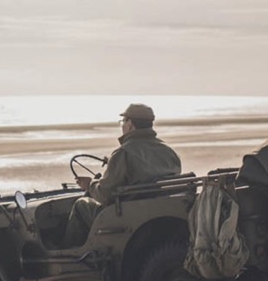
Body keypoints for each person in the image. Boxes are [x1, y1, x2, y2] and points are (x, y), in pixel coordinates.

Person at [62, 103, 182, 246]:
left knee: (81, 205)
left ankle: (72, 254)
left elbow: (104, 195)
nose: (122, 125)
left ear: (130, 124)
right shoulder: (168, 151)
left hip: (126, 215)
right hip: (161, 211)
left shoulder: (123, 153)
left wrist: (90, 185)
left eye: (123, 121)